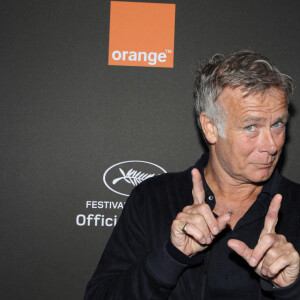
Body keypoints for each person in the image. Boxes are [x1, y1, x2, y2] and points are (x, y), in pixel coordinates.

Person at [84, 50, 300, 299]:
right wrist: (170, 257)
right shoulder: (153, 199)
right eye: (251, 127)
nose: (272, 145)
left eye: (278, 124)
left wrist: (291, 289)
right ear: (210, 128)